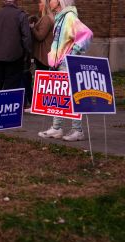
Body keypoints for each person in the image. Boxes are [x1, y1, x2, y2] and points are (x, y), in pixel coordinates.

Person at [38, 0, 93, 141]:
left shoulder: (69, 17)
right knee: (59, 97)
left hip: (65, 65)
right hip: (59, 65)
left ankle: (77, 130)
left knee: (71, 96)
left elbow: (86, 34)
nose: (49, 1)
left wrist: (72, 55)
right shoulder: (60, 18)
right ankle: (57, 128)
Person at [0, 0, 31, 91]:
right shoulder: (21, 15)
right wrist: (26, 55)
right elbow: (27, 38)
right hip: (15, 57)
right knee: (11, 88)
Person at [31, 0, 54, 71]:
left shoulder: (46, 18)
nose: (38, 4)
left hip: (42, 56)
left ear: (45, 6)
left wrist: (32, 27)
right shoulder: (46, 18)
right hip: (43, 55)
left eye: (40, 2)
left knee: (41, 76)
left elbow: (40, 36)